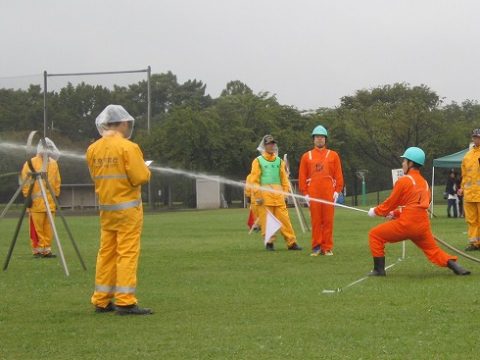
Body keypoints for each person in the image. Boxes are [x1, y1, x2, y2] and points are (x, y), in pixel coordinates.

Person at [86, 104, 153, 315]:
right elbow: (140, 177)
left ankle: (102, 300)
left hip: (107, 210)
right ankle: (125, 301)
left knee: (106, 253)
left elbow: (96, 176)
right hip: (127, 210)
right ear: (123, 123)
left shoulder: (93, 148)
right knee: (127, 253)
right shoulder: (128, 147)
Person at [367, 147, 470, 276]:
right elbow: (417, 207)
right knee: (433, 250)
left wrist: (375, 211)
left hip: (407, 224)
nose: (402, 163)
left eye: (404, 161)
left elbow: (391, 202)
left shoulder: (404, 181)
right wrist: (395, 214)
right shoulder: (424, 183)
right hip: (422, 225)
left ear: (410, 163)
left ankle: (378, 270)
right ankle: (456, 267)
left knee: (375, 235)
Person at [249, 134, 302, 251]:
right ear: (264, 146)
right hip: (264, 197)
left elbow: (284, 179)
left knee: (284, 220)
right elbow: (254, 180)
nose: (272, 146)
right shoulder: (258, 161)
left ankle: (291, 242)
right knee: (267, 221)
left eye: (273, 144)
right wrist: (257, 195)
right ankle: (269, 243)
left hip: (278, 197)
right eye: (269, 144)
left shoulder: (279, 161)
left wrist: (286, 193)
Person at [298, 125, 344, 256]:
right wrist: (305, 193)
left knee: (328, 220)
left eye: (322, 137)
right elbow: (302, 176)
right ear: (313, 139)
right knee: (316, 220)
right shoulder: (306, 156)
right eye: (317, 137)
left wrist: (337, 190)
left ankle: (327, 246)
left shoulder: (333, 155)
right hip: (314, 191)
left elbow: (338, 174)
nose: (319, 139)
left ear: (325, 139)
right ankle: (316, 246)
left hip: (328, 190)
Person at [21, 137, 61, 258]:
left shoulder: (53, 164)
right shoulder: (31, 163)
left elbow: (57, 182)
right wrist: (27, 196)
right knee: (36, 228)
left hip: (50, 202)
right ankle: (37, 250)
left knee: (48, 228)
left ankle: (47, 250)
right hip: (36, 202)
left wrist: (56, 196)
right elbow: (26, 181)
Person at [459, 128, 480, 251]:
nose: (476, 139)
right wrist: (462, 188)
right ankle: (474, 243)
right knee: (471, 220)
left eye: (478, 137)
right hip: (469, 194)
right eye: (474, 137)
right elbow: (464, 175)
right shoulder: (467, 156)